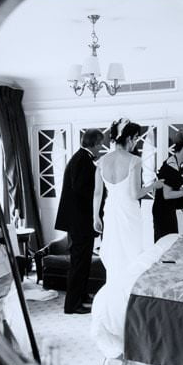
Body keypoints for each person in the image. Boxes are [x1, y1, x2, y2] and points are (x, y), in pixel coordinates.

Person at [92, 118, 163, 282]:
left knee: (114, 251)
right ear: (129, 138)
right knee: (131, 252)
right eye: (136, 138)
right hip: (129, 211)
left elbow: (97, 193)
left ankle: (114, 287)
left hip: (110, 211)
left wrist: (95, 216)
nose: (136, 142)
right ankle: (128, 289)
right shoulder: (134, 161)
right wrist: (154, 185)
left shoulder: (102, 161)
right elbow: (135, 194)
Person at [55, 128, 105, 315]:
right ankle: (72, 305)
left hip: (80, 222)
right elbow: (82, 191)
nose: (102, 146)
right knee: (78, 264)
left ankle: (82, 297)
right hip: (79, 223)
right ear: (94, 143)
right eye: (100, 143)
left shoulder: (82, 159)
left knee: (83, 263)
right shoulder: (82, 160)